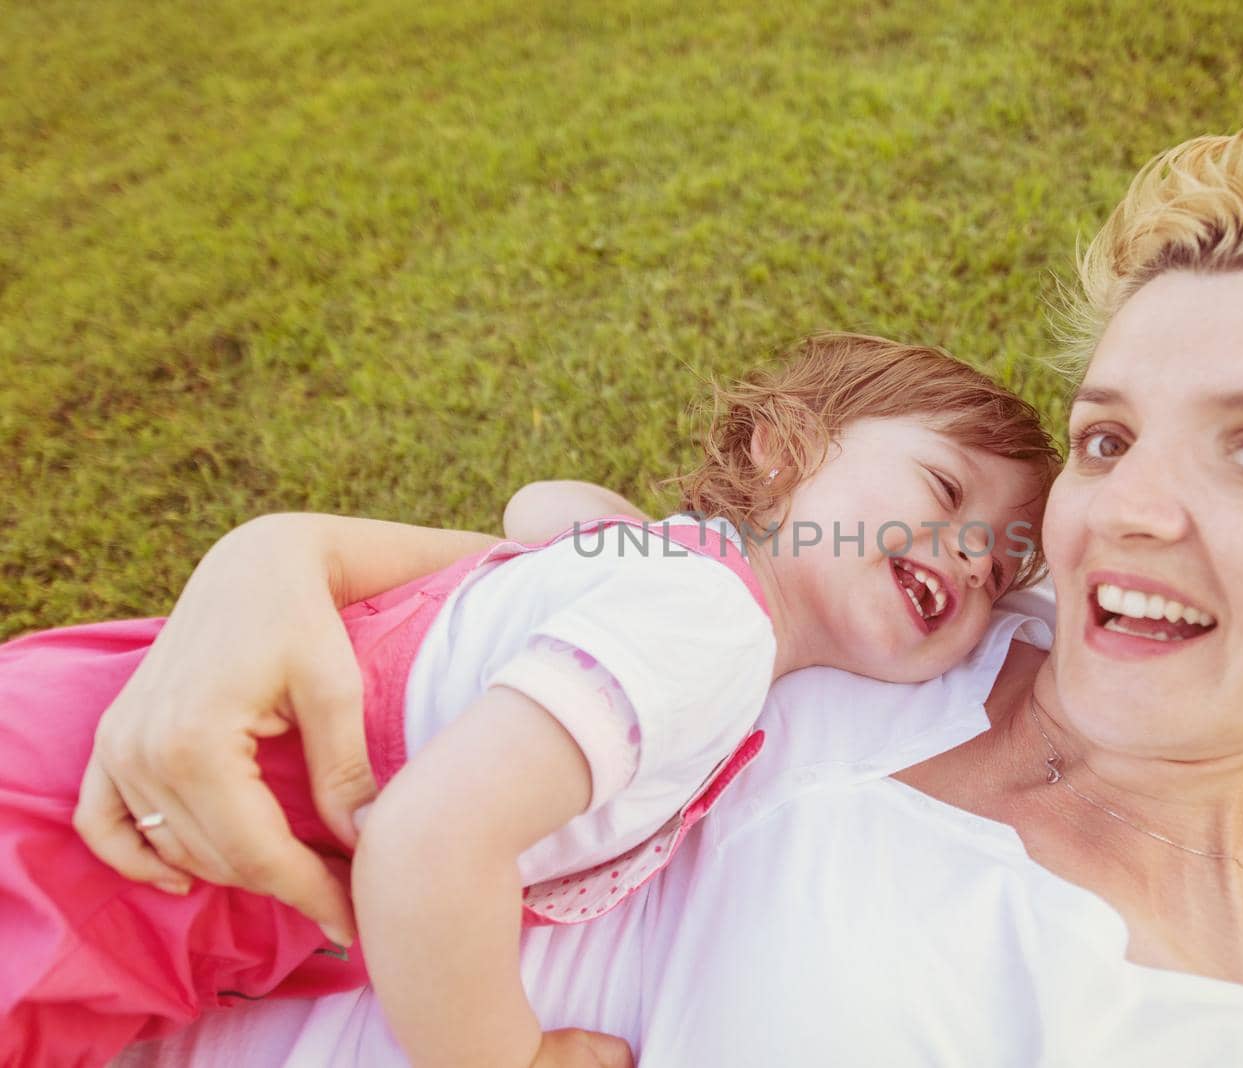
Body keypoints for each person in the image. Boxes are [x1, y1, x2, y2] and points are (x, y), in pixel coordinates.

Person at [95, 110, 1243, 1066]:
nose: (1126, 511)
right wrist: (264, 562)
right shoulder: (881, 622)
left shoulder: (1201, 1037)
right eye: (1107, 437)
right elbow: (545, 571)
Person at [0, 334, 1061, 1067]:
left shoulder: (666, 574)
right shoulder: (708, 631)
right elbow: (424, 843)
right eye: (943, 491)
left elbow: (538, 509)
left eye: (1009, 568)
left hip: (97, 747)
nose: (976, 559)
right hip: (102, 857)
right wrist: (509, 1054)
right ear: (776, 452)